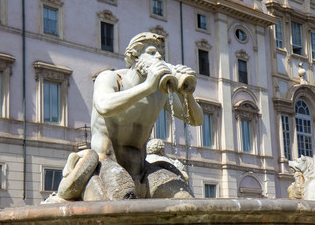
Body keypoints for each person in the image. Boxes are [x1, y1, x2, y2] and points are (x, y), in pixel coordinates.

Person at [49, 32, 203, 202]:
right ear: (135, 56)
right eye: (152, 52)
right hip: (105, 164)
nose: (159, 57)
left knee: (184, 198)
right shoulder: (111, 78)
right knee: (125, 201)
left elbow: (196, 120)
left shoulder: (160, 92)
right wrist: (147, 86)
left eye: (161, 54)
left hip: (142, 170)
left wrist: (186, 93)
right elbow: (104, 106)